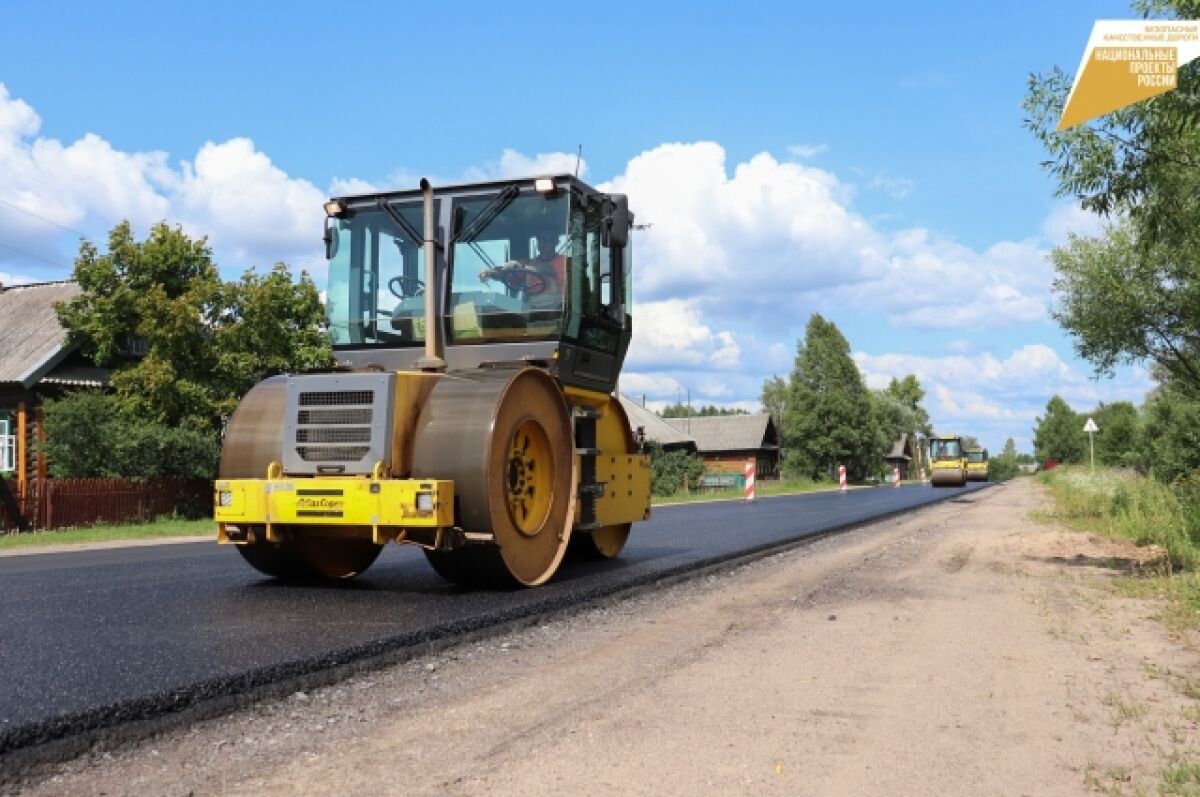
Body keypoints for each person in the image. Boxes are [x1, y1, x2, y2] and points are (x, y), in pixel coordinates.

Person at [479, 233, 565, 303]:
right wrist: (489, 272)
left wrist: (520, 267)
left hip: (557, 314)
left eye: (547, 237)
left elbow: (546, 269)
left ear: (556, 241)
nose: (542, 241)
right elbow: (504, 273)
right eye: (539, 237)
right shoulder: (527, 263)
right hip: (530, 313)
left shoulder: (564, 262)